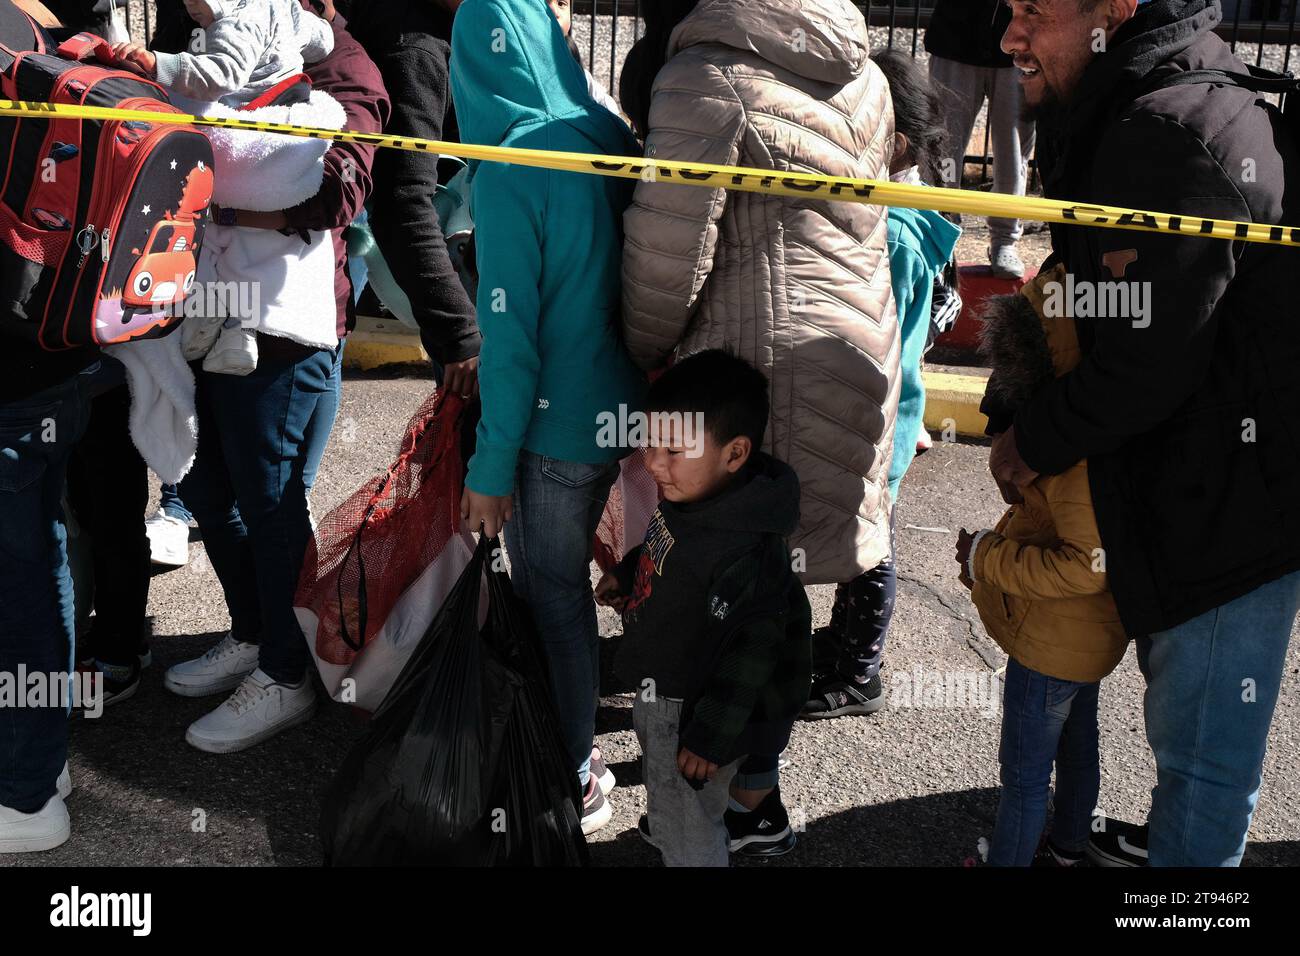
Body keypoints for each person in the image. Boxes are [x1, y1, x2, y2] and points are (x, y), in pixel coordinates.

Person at [989, 0, 1300, 867]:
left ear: (1117, 8)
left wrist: (1028, 440)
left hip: (1232, 517)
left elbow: (1145, 364)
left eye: (1033, 13)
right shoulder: (1153, 101)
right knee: (1200, 767)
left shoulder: (1163, 131)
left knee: (1203, 772)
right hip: (1214, 489)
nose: (1010, 36)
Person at [619, 0, 897, 842]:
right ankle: (757, 795)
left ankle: (734, 791)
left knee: (733, 602)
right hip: (855, 343)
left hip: (759, 366)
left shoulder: (705, 74)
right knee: (776, 594)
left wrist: (640, 355)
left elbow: (667, 262)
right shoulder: (865, 71)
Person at [146, 0, 387, 754]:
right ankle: (253, 633)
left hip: (284, 327)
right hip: (203, 310)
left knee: (270, 494)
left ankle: (287, 673)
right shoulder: (213, 44)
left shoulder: (344, 68)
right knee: (208, 488)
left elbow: (327, 191)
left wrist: (209, 194)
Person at [450, 0, 646, 835]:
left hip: (550, 428)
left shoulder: (508, 168)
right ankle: (577, 746)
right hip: (609, 407)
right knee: (564, 594)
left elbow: (512, 348)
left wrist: (489, 474)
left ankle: (572, 771)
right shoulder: (603, 138)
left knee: (552, 596)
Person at [596, 350, 811, 867]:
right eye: (651, 445)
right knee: (677, 800)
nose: (652, 463)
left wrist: (709, 739)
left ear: (735, 454)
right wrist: (629, 573)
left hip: (691, 707)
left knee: (688, 826)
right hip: (666, 688)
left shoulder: (742, 550)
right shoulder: (697, 496)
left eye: (673, 450)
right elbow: (660, 546)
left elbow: (751, 654)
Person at [803, 49, 961, 721]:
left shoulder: (891, 232)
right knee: (866, 544)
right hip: (874, 416)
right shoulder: (884, 212)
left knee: (872, 553)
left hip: (878, 421)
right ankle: (845, 645)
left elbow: (883, 341)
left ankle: (857, 671)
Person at [958, 267, 1128, 866]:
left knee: (1026, 777)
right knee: (1079, 748)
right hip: (1088, 641)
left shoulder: (1067, 451)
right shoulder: (1099, 423)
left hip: (1050, 642)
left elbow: (1085, 566)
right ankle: (1068, 845)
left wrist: (985, 557)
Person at [0, 0, 84, 854]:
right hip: (53, 355)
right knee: (38, 561)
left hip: (12, 376)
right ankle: (39, 764)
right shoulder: (32, 24)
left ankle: (26, 795)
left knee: (18, 587)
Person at [344, 0, 481, 396]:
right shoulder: (415, 50)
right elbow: (401, 201)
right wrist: (459, 331)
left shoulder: (461, 29)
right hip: (465, 298)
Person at [925, 0, 1036, 279]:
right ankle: (940, 237)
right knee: (943, 149)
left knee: (1012, 154)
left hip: (1020, 43)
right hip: (955, 40)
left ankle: (1005, 241)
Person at [110, 0, 333, 108]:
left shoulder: (237, 24)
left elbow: (221, 75)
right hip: (287, 100)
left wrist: (155, 63)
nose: (190, 5)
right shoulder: (282, 7)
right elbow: (323, 41)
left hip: (246, 114)